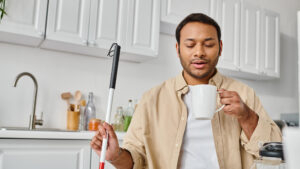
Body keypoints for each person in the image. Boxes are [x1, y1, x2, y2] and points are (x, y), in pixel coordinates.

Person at [90, 13, 282, 169]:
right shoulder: (152, 99)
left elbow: (276, 153)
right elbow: (135, 160)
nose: (199, 52)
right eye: (190, 45)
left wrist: (247, 116)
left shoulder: (244, 94)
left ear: (220, 48)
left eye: (208, 44)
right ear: (178, 49)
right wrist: (115, 156)